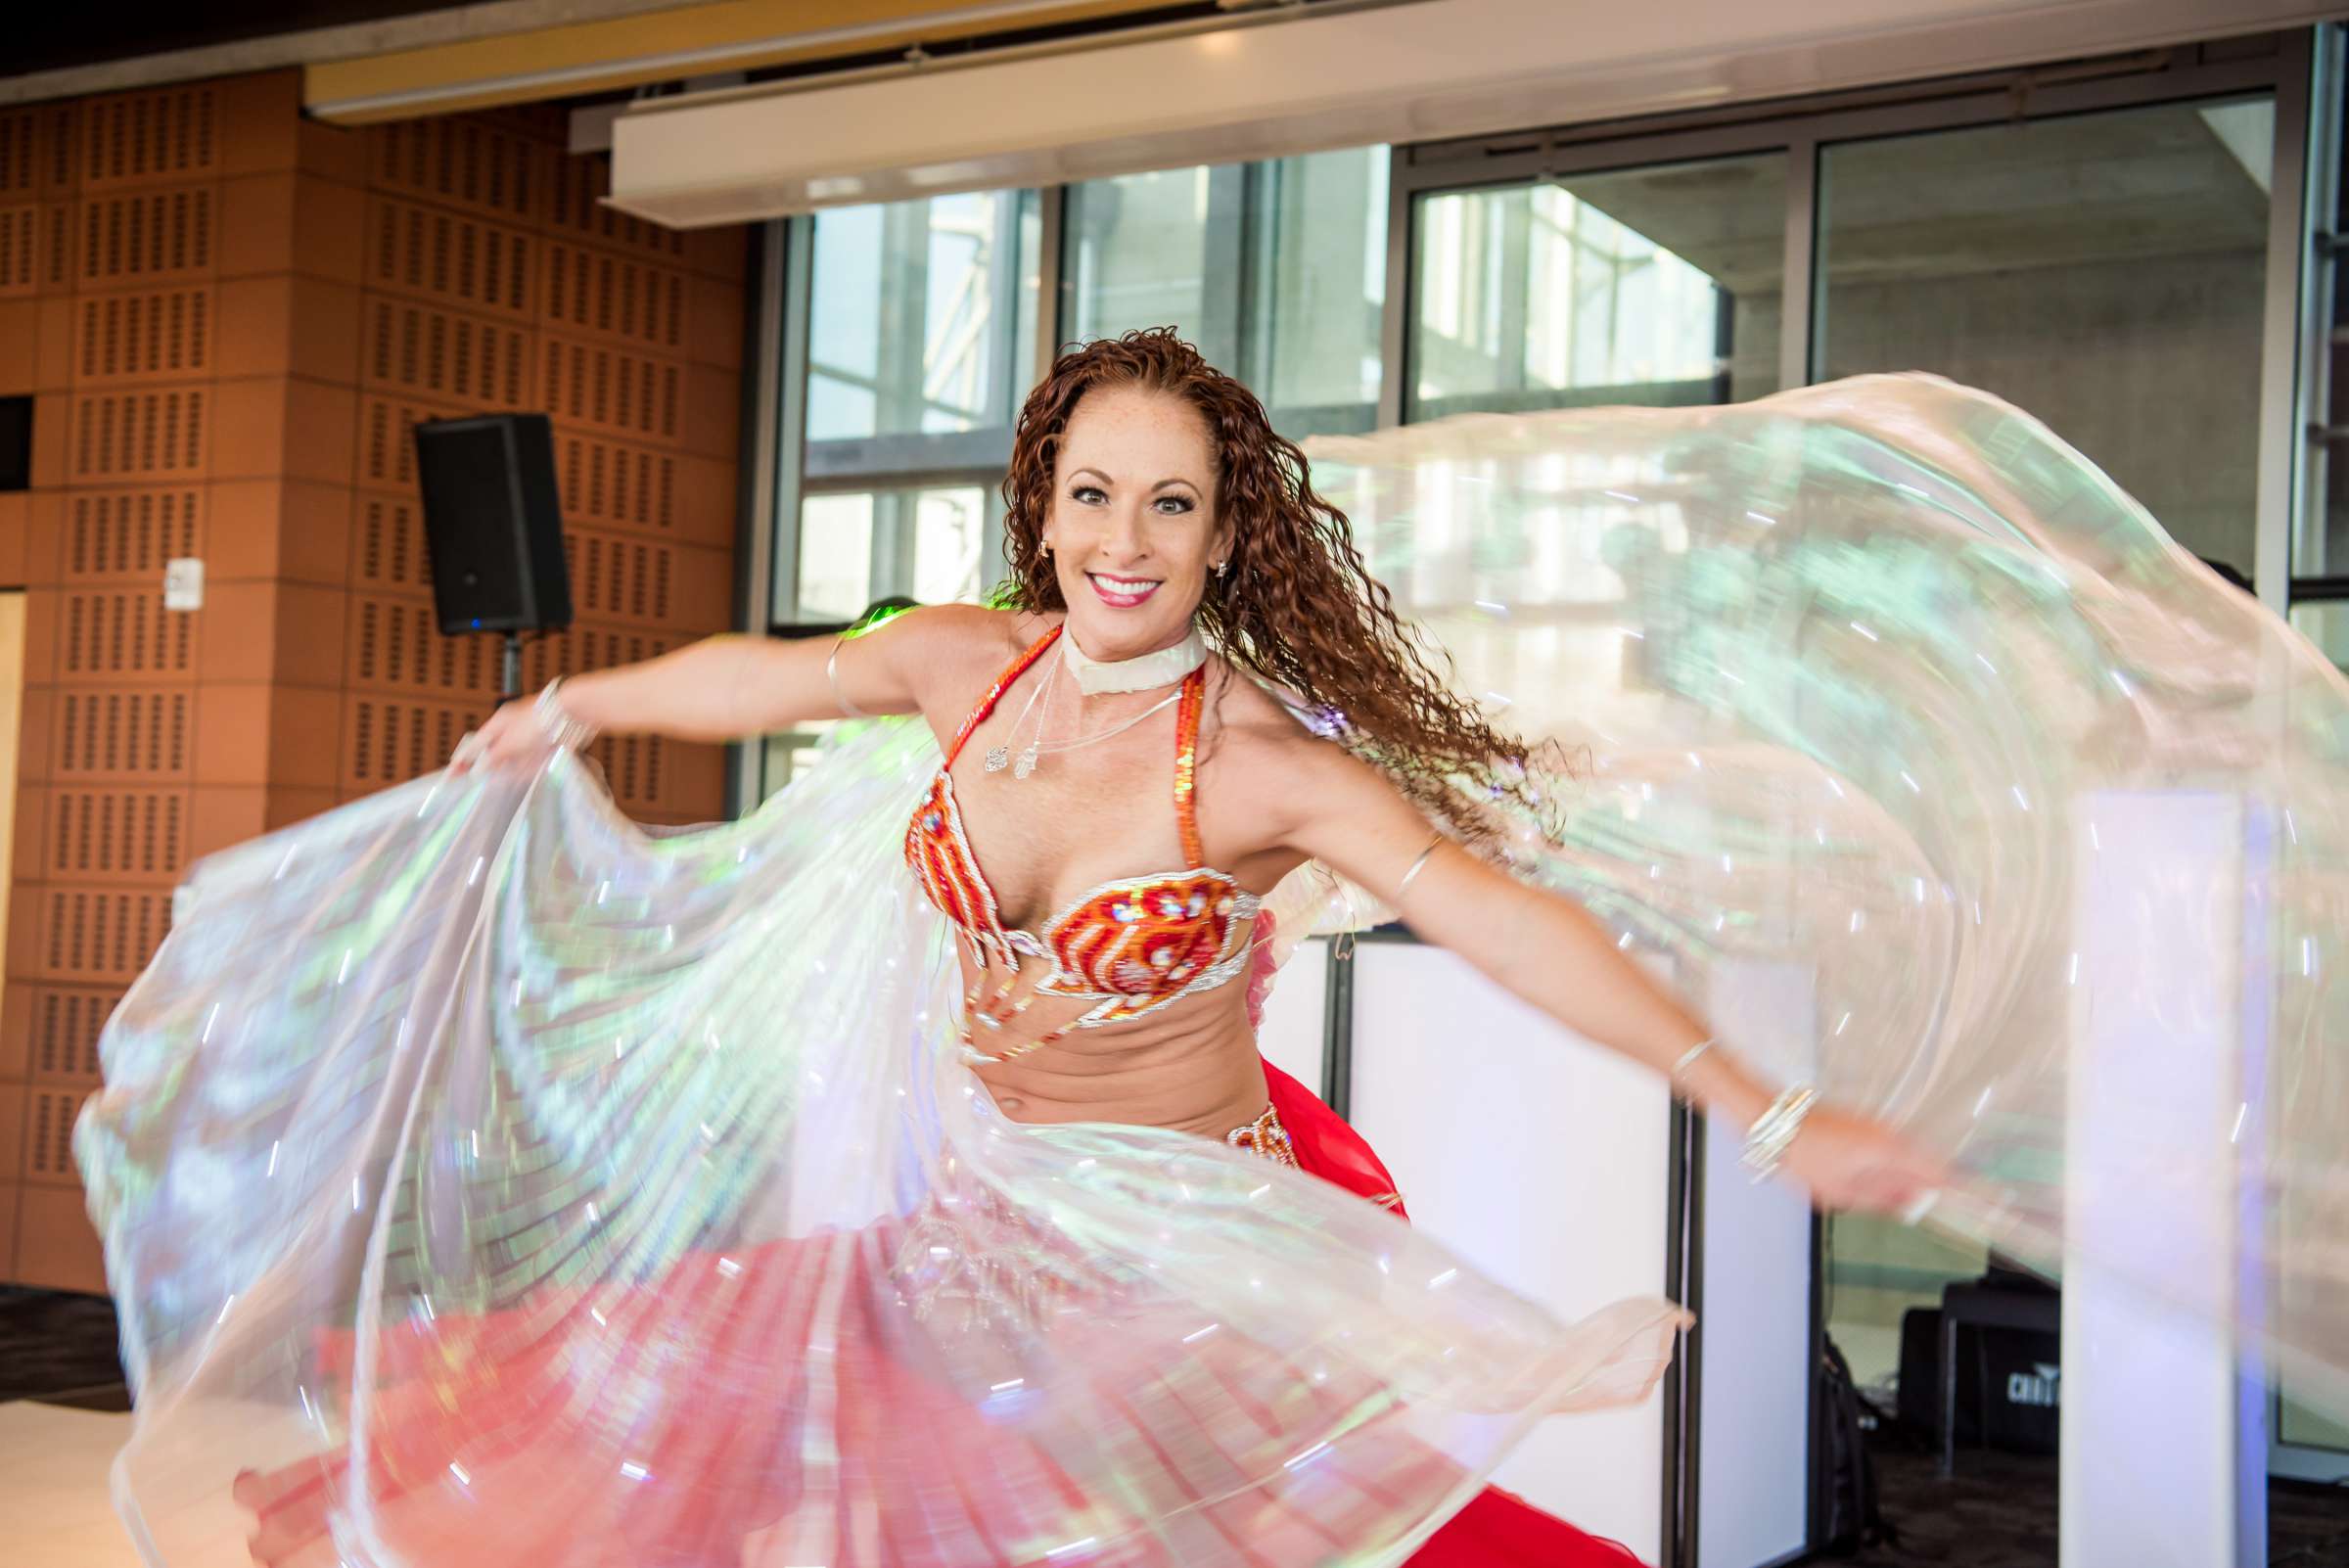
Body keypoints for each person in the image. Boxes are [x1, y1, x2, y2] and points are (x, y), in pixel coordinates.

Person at [447, 327, 1940, 1562]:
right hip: (994, 1232)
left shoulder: (1264, 765)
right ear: (1044, 509)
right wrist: (575, 707)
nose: (1124, 540)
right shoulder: (963, 663)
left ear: (1225, 536)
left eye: (1172, 504)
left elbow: (1504, 924)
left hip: (1189, 1259)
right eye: (1094, 495)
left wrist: (1768, 1104)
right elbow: (761, 679)